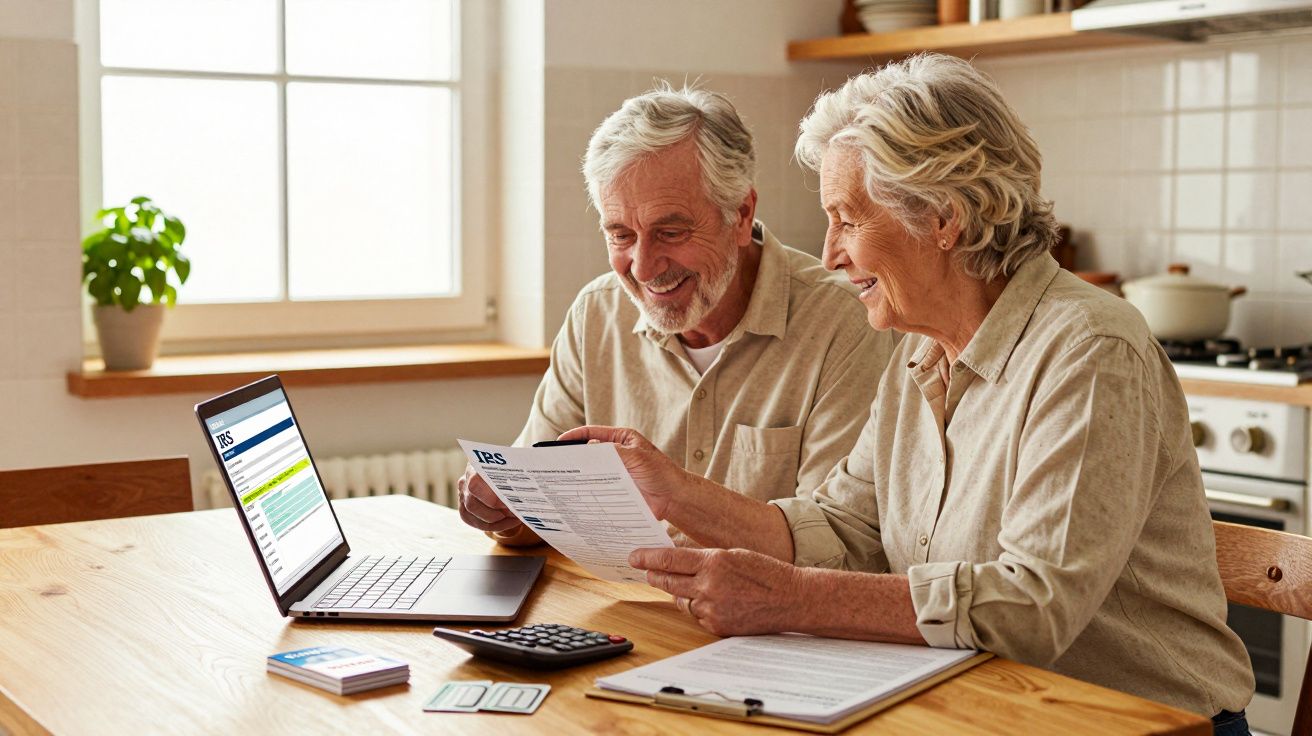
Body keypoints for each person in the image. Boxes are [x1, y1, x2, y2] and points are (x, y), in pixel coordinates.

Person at [562, 55, 1255, 731]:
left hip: (1144, 721)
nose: (830, 253)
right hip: (980, 706)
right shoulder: (920, 351)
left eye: (848, 219)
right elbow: (846, 528)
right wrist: (675, 493)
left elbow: (1031, 607)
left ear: (944, 217)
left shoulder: (1089, 351)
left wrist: (793, 599)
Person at [458, 83, 898, 547]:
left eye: (670, 231)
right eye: (621, 235)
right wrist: (505, 509)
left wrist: (680, 497)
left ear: (741, 214)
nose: (644, 267)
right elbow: (539, 513)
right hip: (617, 610)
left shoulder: (844, 321)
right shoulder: (596, 314)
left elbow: (836, 544)